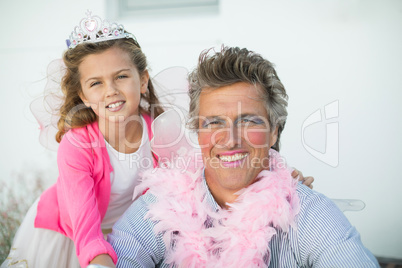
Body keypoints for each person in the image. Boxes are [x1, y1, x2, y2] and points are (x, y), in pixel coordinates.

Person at [1, 13, 312, 268]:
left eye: (121, 76)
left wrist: (276, 179)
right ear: (83, 95)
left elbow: (207, 173)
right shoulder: (77, 146)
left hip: (123, 236)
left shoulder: (161, 132)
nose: (111, 90)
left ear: (143, 80)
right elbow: (85, 229)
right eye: (96, 83)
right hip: (68, 235)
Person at [108, 46, 380, 267]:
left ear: (274, 132)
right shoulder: (160, 207)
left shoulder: (309, 213)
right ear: (198, 132)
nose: (230, 139)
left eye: (248, 121)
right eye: (214, 123)